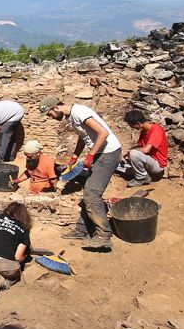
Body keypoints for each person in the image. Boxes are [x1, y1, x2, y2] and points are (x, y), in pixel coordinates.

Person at [40, 96, 123, 249]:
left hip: (109, 154)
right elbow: (83, 136)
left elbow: (103, 133)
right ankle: (82, 229)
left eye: (49, 114)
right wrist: (74, 156)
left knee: (92, 194)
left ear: (55, 108)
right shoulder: (70, 117)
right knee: (90, 192)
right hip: (100, 153)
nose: (50, 118)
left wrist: (90, 155)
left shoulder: (79, 112)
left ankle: (104, 236)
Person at [120, 109, 168, 187]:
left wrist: (130, 151)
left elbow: (146, 150)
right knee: (119, 161)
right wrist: (126, 152)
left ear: (138, 124)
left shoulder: (156, 130)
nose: (132, 128)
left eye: (132, 125)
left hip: (158, 165)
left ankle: (142, 178)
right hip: (147, 162)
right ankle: (142, 173)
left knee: (133, 153)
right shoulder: (144, 130)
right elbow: (140, 146)